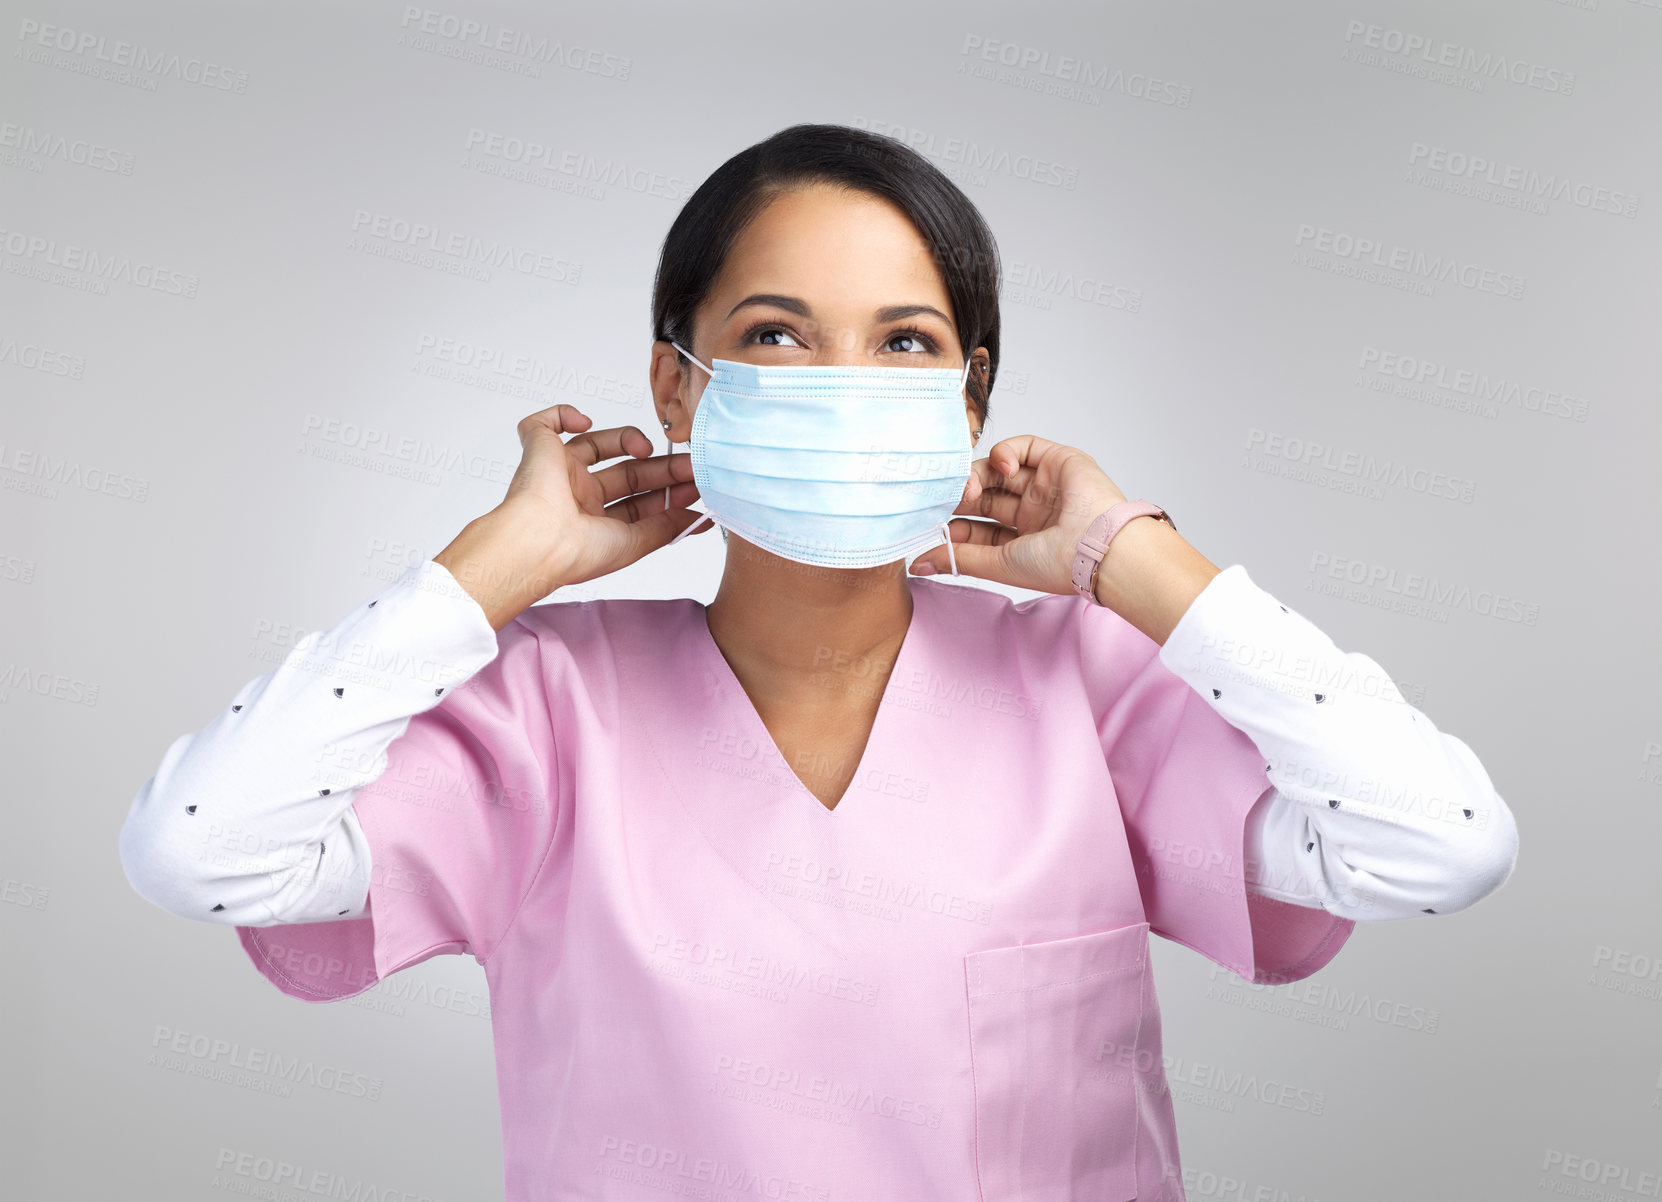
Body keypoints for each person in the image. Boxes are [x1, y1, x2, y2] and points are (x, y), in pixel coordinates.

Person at [119, 123, 1519, 1201]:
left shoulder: (1082, 686)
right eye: (775, 334)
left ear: (970, 394)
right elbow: (202, 848)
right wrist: (497, 564)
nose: (840, 377)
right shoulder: (546, 708)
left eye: (902, 343)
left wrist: (1136, 562)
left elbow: (1438, 843)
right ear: (678, 381)